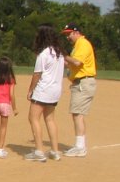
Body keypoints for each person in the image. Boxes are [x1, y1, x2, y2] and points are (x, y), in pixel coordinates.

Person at [25, 25, 66, 162]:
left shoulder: (43, 54)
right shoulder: (59, 53)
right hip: (55, 90)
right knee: (50, 119)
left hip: (43, 90)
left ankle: (39, 151)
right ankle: (55, 151)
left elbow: (37, 75)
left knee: (33, 118)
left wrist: (30, 90)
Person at [61, 23, 96, 157]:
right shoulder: (77, 46)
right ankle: (79, 145)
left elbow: (76, 62)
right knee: (77, 114)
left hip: (83, 82)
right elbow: (71, 63)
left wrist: (63, 54)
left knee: (77, 114)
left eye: (69, 34)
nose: (68, 37)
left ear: (76, 32)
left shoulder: (82, 43)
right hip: (79, 82)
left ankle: (80, 147)